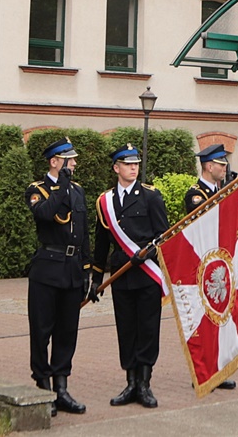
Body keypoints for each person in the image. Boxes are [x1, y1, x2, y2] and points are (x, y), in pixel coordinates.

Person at [96, 145, 170, 409]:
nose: (133, 167)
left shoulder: (151, 196)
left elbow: (164, 236)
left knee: (148, 328)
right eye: (127, 164)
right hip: (121, 274)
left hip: (146, 274)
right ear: (116, 168)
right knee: (126, 329)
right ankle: (130, 383)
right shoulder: (105, 201)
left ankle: (145, 384)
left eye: (136, 163)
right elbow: (101, 243)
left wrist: (148, 252)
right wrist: (95, 280)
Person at [25, 138, 90, 415]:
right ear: (55, 161)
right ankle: (42, 386)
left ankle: (61, 387)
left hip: (72, 269)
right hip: (47, 269)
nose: (74, 164)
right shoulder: (36, 189)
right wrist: (61, 185)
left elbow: (84, 232)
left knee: (67, 332)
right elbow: (46, 214)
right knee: (42, 331)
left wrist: (87, 270)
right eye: (69, 159)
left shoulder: (77, 191)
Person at [181, 142, 238, 390]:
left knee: (221, 318)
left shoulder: (220, 189)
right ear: (208, 166)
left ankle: (218, 368)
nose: (225, 168)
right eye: (221, 164)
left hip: (220, 263)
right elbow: (205, 220)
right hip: (202, 265)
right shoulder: (196, 194)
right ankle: (203, 371)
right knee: (203, 319)